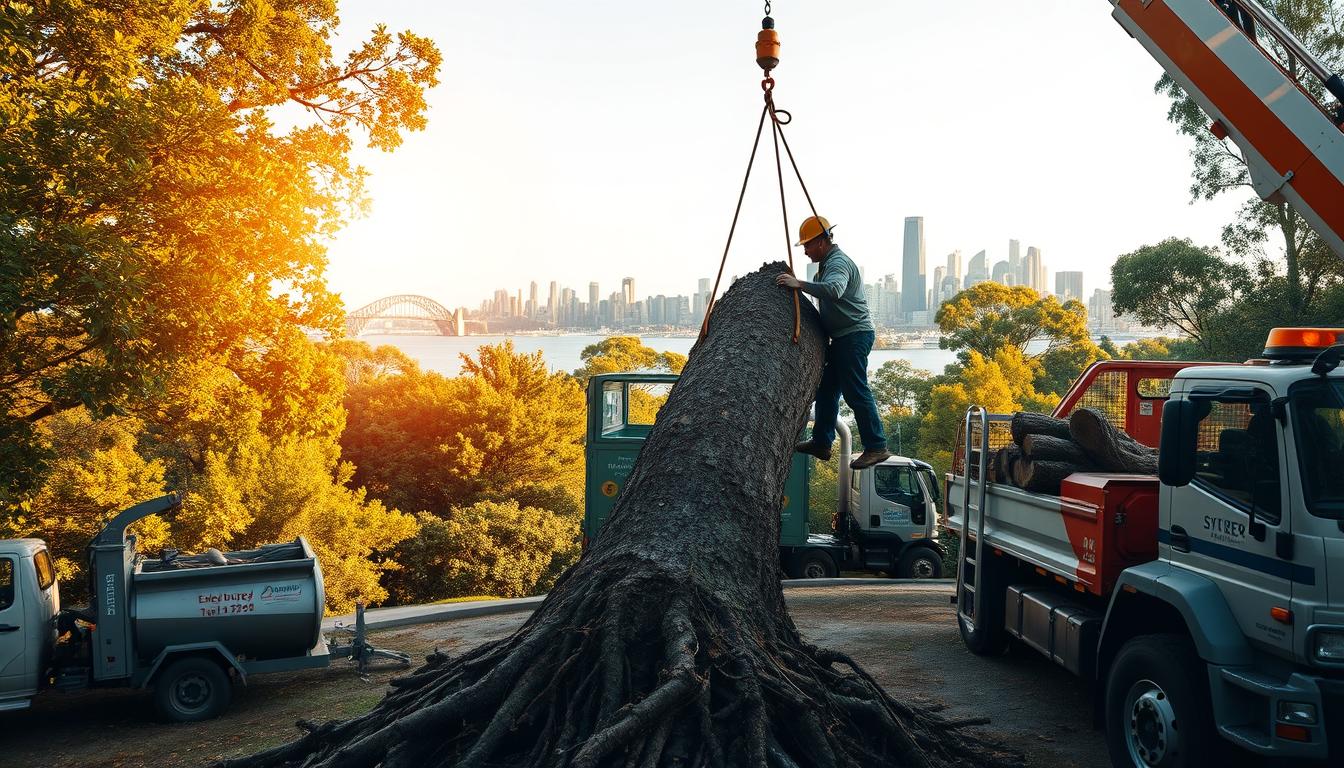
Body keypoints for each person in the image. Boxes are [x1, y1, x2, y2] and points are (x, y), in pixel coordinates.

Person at [775, 215, 891, 470]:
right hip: (843, 338)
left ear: (821, 241)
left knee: (855, 391)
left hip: (854, 336)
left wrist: (798, 284)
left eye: (807, 244)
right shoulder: (827, 264)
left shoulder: (837, 263)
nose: (805, 251)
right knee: (827, 390)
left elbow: (835, 289)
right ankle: (822, 442)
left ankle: (876, 446)